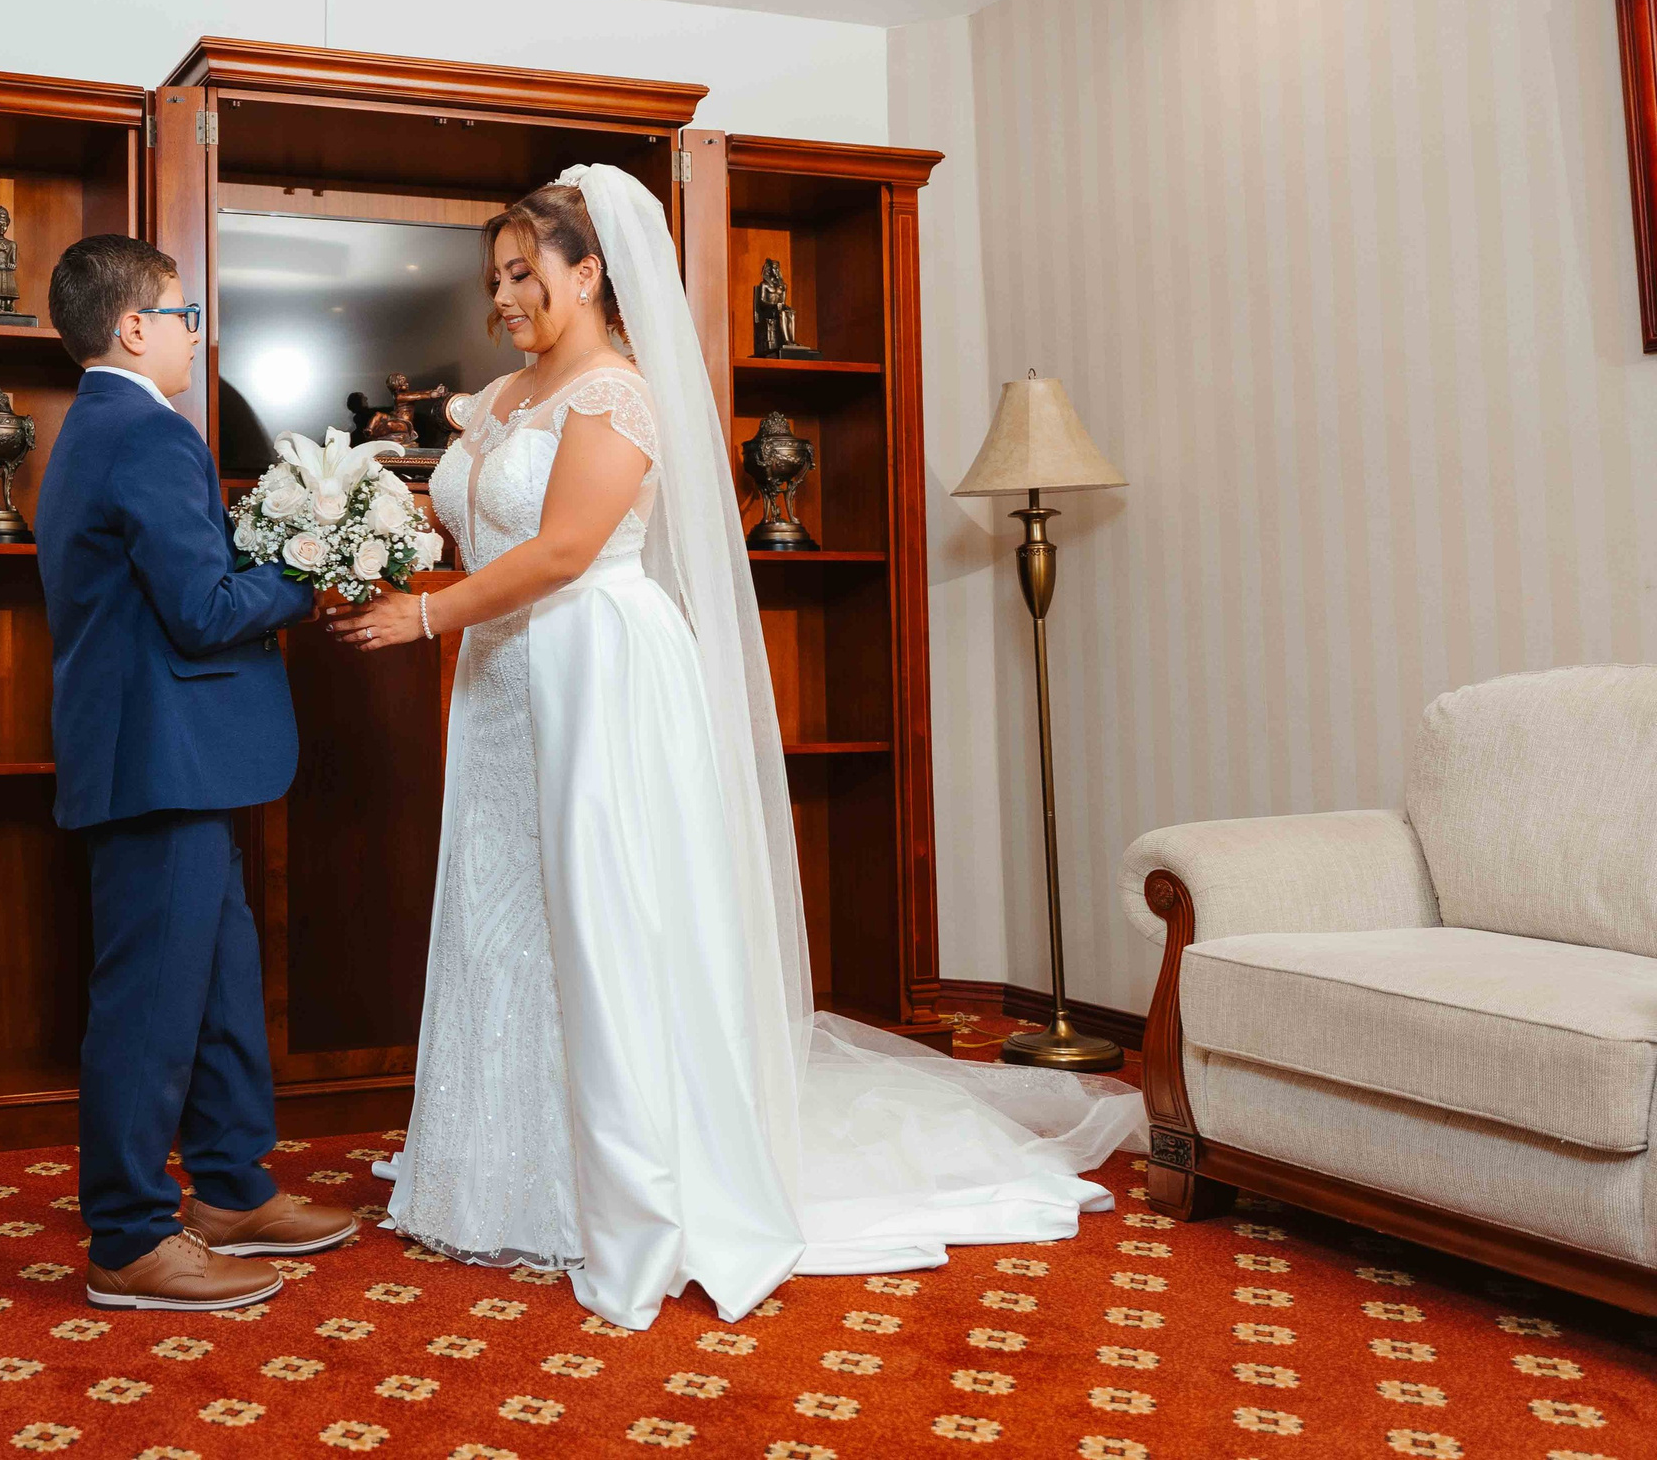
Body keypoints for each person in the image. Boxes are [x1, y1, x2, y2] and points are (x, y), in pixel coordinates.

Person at [329, 170, 1143, 1330]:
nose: (504, 296)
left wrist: (421, 616)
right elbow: (476, 522)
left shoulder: (619, 394)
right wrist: (351, 529)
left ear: (591, 270)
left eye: (524, 273)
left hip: (596, 664)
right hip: (508, 679)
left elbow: (563, 549)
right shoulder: (500, 396)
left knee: (603, 913)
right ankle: (502, 1168)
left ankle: (626, 1182)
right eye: (495, 277)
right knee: (506, 913)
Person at [36, 234, 358, 1312]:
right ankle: (126, 1239)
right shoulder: (147, 433)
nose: (190, 333)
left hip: (171, 756)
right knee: (148, 1005)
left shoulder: (98, 425)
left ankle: (229, 1189)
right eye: (181, 315)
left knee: (216, 985)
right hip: (156, 759)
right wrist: (313, 572)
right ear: (132, 327)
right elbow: (205, 609)